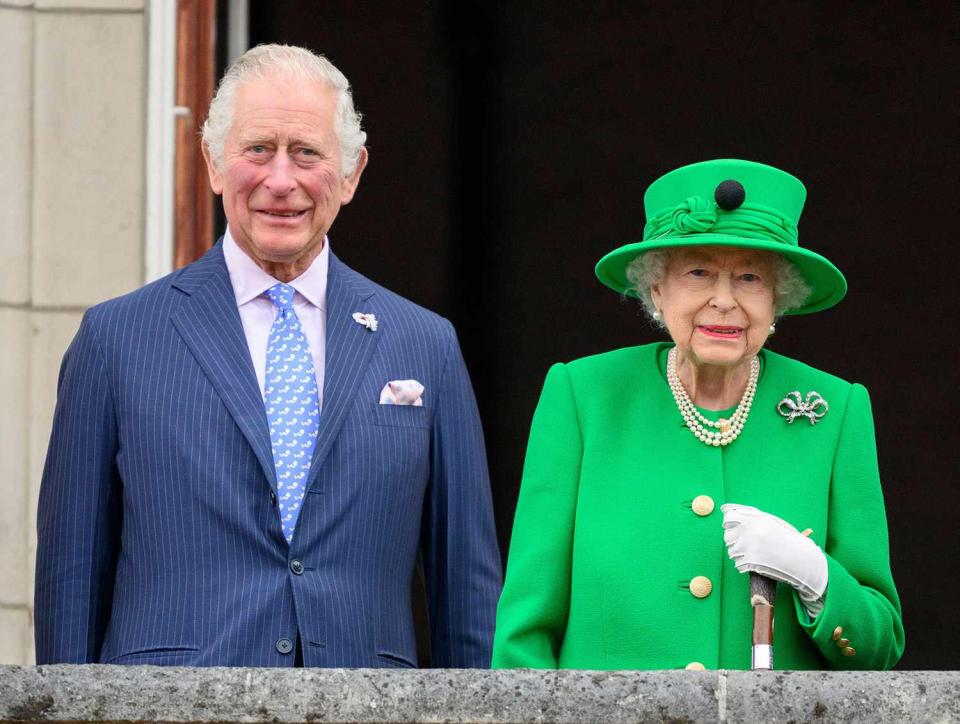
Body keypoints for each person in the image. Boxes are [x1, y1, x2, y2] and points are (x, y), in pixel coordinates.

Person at [34, 44, 501, 668]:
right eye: (258, 150)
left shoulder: (424, 344)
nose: (281, 181)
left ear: (352, 173)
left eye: (307, 153)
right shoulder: (116, 338)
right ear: (213, 164)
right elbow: (72, 579)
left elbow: (466, 588)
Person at [492, 159, 904, 670]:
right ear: (657, 290)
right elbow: (524, 637)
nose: (724, 301)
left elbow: (879, 650)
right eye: (698, 272)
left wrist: (817, 577)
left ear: (778, 299)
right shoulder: (582, 396)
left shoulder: (836, 410)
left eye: (750, 277)